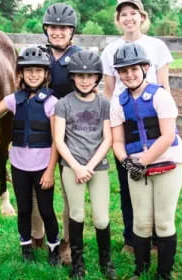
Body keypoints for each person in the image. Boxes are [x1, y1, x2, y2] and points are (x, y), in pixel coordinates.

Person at [100, 0, 173, 253]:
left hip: (152, 118)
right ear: (118, 20)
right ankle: (131, 237)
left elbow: (164, 84)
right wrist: (110, 125)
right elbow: (109, 92)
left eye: (134, 13)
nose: (129, 18)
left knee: (157, 177)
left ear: (142, 17)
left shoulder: (157, 46)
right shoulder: (110, 50)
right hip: (125, 119)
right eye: (123, 14)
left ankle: (155, 237)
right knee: (129, 178)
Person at [0, 46, 60, 264]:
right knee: (23, 210)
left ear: (46, 74)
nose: (33, 74)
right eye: (28, 70)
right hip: (19, 167)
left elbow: (57, 142)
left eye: (38, 71)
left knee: (46, 211)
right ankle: (26, 249)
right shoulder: (14, 99)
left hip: (43, 169)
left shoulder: (52, 103)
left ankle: (54, 248)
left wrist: (50, 170)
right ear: (20, 74)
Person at [110, 43, 182, 280]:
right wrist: (126, 162)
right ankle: (140, 271)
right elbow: (117, 141)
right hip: (137, 167)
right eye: (123, 71)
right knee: (141, 222)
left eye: (134, 68)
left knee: (163, 222)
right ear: (119, 74)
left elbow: (167, 135)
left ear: (145, 67)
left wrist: (142, 161)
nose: (129, 74)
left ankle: (164, 273)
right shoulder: (118, 102)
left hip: (166, 163)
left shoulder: (160, 95)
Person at [54, 50, 117, 280]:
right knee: (77, 214)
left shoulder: (104, 104)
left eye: (90, 76)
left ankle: (105, 260)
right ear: (72, 77)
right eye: (80, 75)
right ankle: (78, 263)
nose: (85, 79)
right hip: (72, 167)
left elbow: (108, 138)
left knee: (101, 217)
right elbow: (59, 140)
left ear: (97, 78)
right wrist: (77, 167)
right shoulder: (64, 104)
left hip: (97, 166)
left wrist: (89, 166)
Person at [31, 3, 83, 263]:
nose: (58, 32)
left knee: (68, 186)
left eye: (63, 28)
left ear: (71, 30)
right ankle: (37, 234)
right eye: (53, 27)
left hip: (70, 131)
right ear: (46, 29)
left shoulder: (79, 56)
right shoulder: (36, 54)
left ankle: (67, 241)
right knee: (35, 184)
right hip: (40, 129)